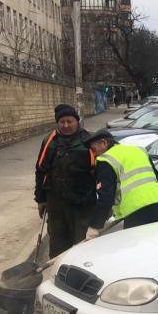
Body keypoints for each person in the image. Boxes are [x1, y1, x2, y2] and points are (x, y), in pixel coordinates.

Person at [84, 129, 158, 238]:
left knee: (135, 248)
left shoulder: (106, 159)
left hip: (136, 216)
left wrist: (94, 226)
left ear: (104, 143)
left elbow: (106, 198)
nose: (94, 154)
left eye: (94, 149)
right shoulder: (139, 150)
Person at [35, 104, 95, 257]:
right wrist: (40, 199)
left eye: (70, 121)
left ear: (77, 121)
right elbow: (40, 170)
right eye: (62, 122)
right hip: (56, 203)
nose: (66, 125)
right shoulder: (50, 140)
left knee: (82, 246)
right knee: (57, 247)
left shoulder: (88, 140)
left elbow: (99, 172)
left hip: (82, 204)